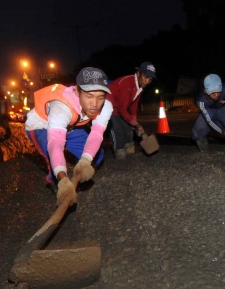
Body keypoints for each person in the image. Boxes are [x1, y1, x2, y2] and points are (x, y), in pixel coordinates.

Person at [25, 67, 113, 206]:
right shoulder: (61, 107)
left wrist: (85, 160)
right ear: (77, 91)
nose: (95, 104)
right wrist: (63, 178)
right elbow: (55, 142)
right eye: (89, 96)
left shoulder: (106, 106)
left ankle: (80, 177)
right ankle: (58, 185)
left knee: (98, 154)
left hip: (71, 124)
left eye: (100, 97)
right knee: (52, 158)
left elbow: (96, 134)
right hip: (41, 125)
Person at [106, 61, 156, 160]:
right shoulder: (127, 83)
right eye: (145, 77)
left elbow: (134, 104)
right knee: (116, 129)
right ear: (138, 73)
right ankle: (119, 152)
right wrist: (136, 125)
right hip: (109, 107)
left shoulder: (140, 87)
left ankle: (129, 151)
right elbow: (122, 110)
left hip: (119, 107)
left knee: (128, 130)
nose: (147, 81)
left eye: (150, 79)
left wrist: (134, 122)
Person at [192, 73, 225, 153]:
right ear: (206, 90)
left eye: (218, 92)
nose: (216, 95)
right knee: (197, 131)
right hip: (209, 111)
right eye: (213, 93)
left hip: (223, 109)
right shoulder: (200, 100)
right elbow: (209, 120)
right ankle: (205, 153)